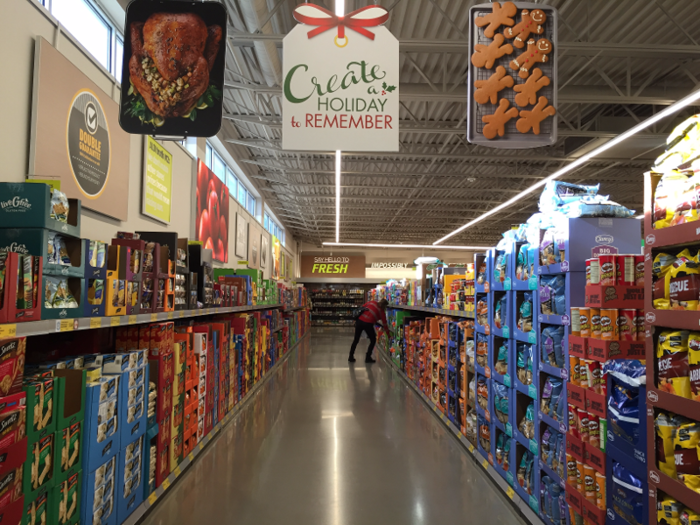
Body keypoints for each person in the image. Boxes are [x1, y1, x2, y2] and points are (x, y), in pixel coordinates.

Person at [349, 298, 389, 364]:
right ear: (384, 306)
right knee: (373, 340)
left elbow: (362, 307)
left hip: (360, 321)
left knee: (356, 340)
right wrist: (388, 335)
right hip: (368, 324)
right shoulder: (381, 311)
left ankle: (350, 356)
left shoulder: (372, 302)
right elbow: (385, 324)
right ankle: (368, 357)